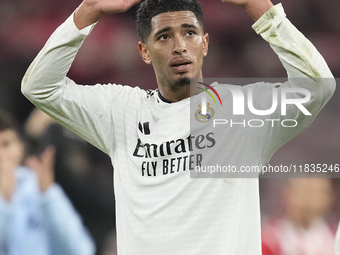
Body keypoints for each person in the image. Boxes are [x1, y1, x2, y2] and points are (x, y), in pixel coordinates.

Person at [21, 0, 336, 254]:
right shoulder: (122, 111)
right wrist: (88, 10)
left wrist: (262, 11)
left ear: (205, 44)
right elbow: (40, 87)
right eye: (164, 36)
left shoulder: (241, 112)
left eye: (189, 33)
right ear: (144, 51)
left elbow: (317, 87)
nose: (179, 46)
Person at [0, 109, 96, 255]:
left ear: (21, 149)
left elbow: (81, 250)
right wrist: (5, 205)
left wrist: (48, 197)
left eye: (6, 144)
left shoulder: (39, 187)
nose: (1, 154)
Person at [262, 178, 336, 255]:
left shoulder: (333, 239)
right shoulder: (270, 238)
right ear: (288, 194)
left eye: (319, 193)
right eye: (306, 192)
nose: (310, 199)